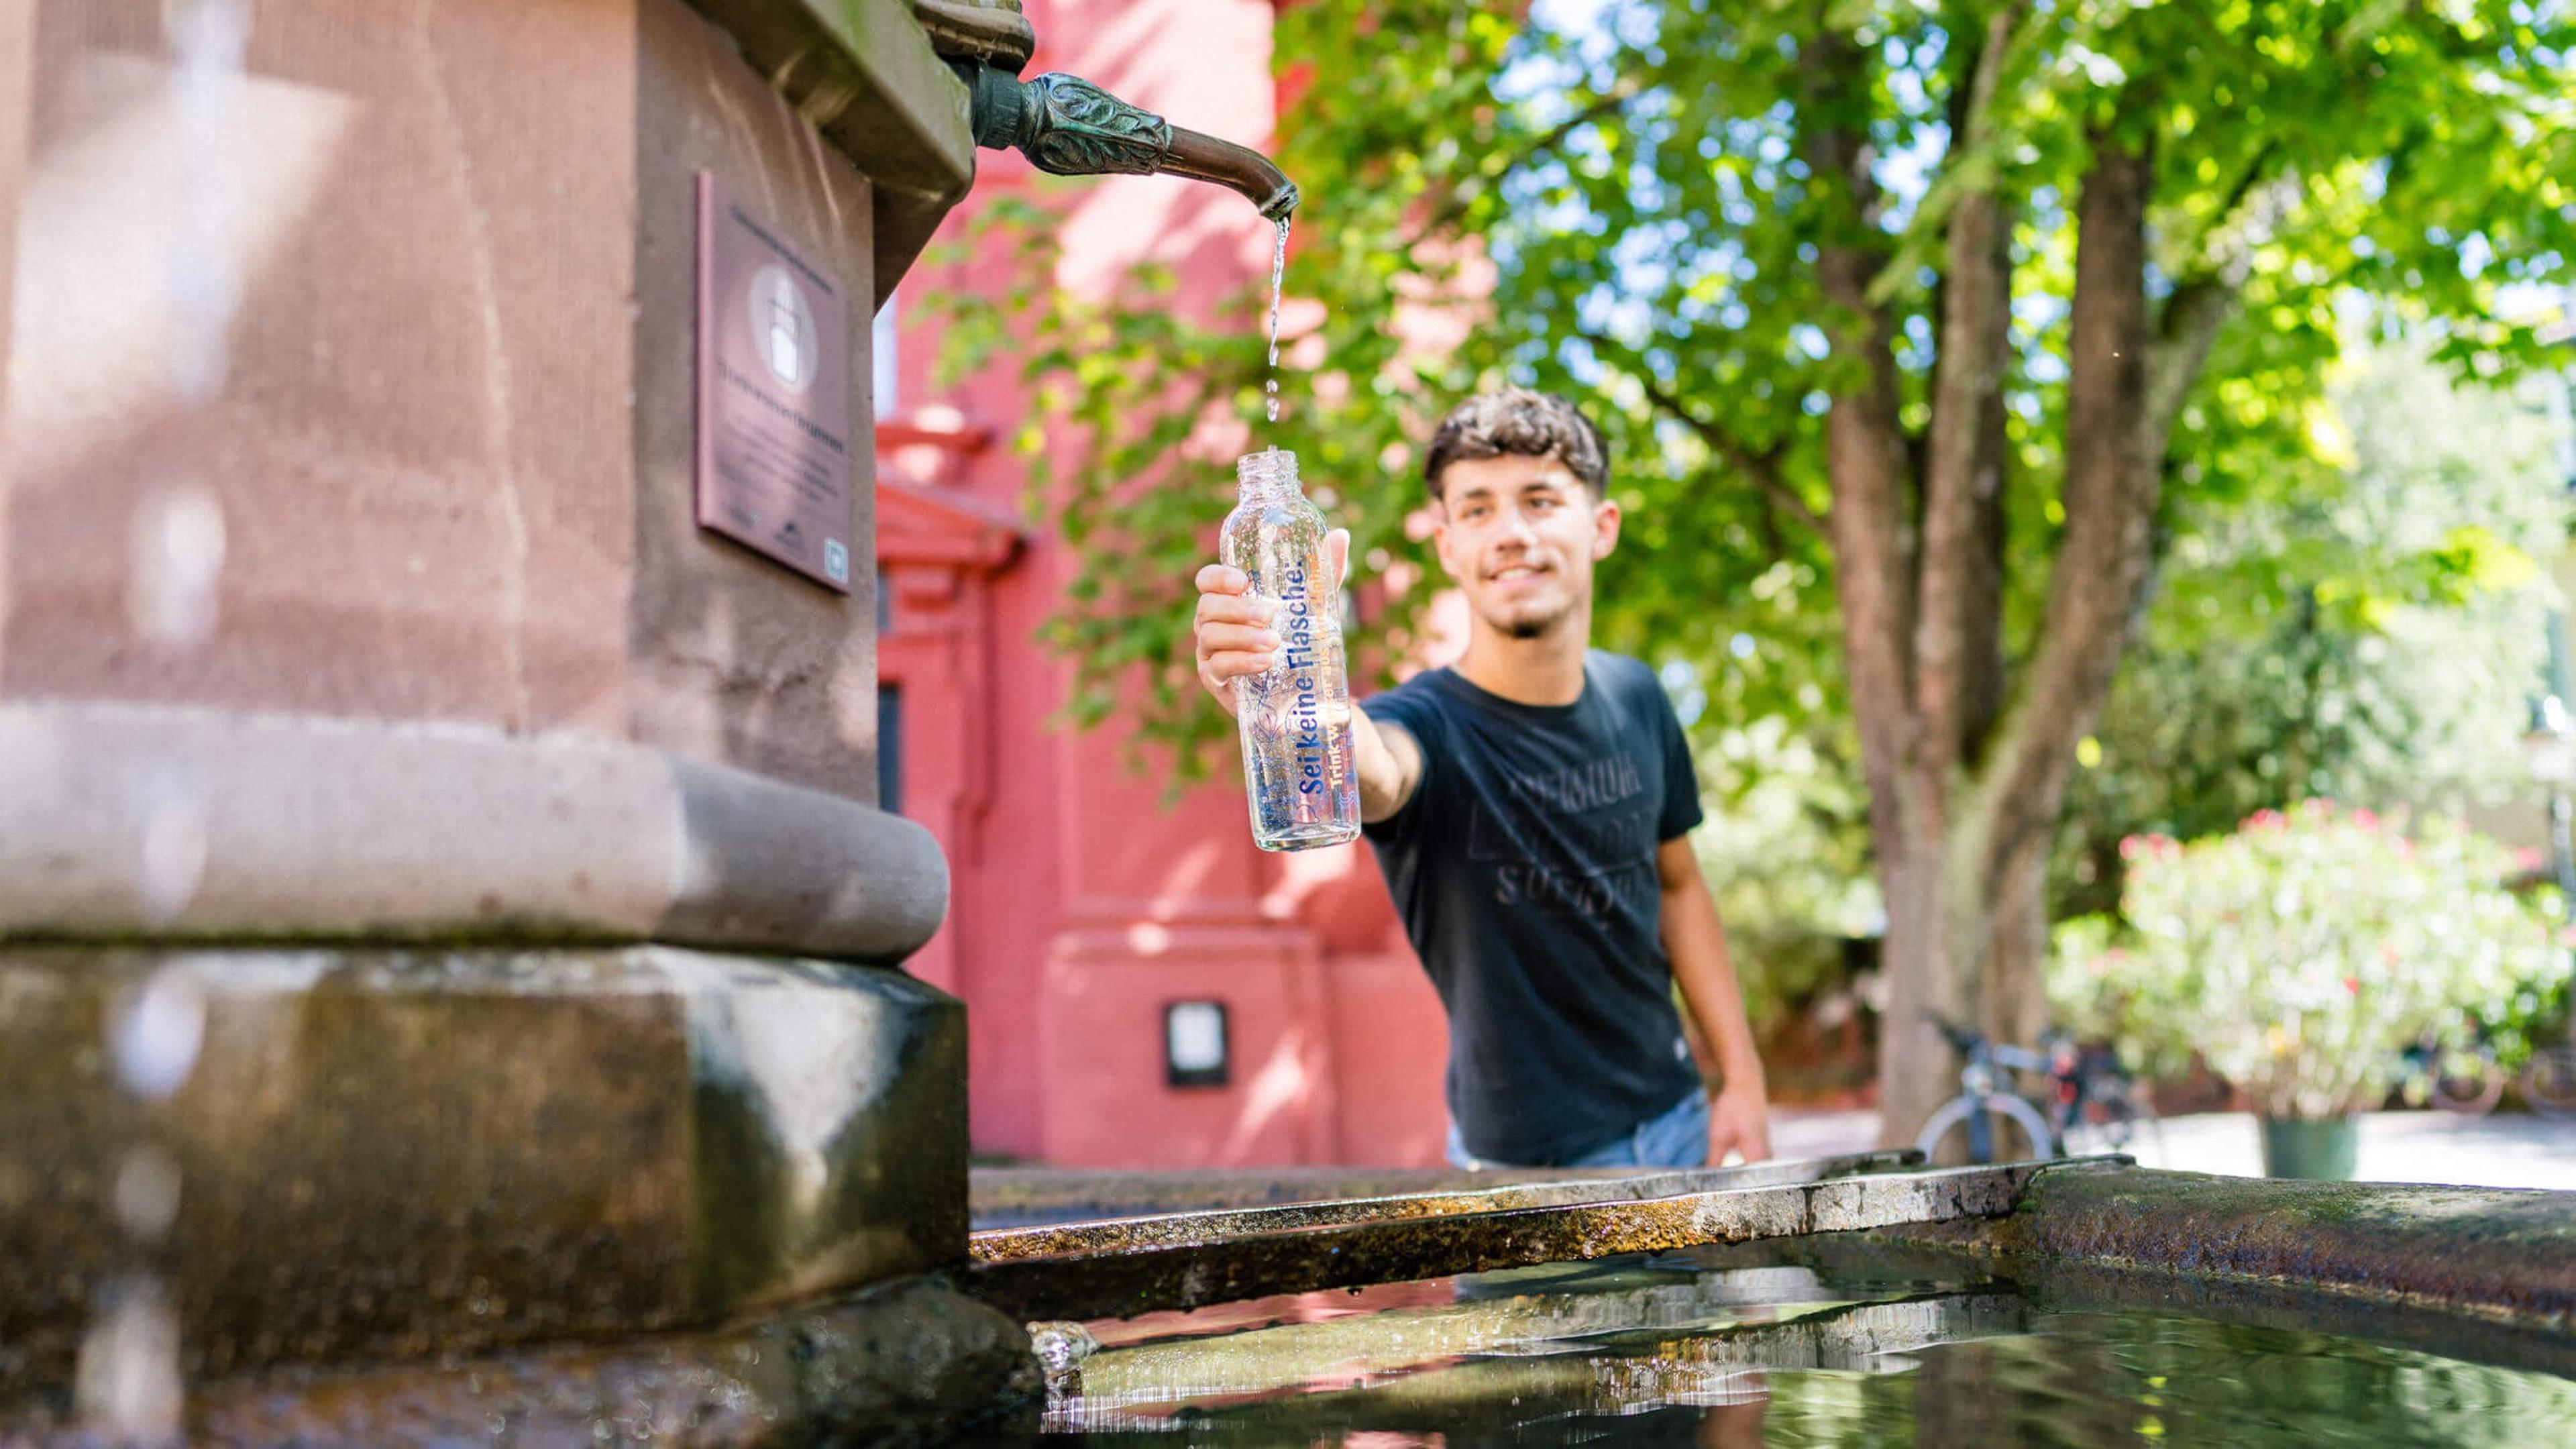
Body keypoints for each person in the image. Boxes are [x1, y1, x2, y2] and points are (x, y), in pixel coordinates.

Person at [1191, 388, 1772, 1169]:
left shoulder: (1639, 697)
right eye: (1476, 510)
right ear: (1446, 546)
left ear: (1601, 527)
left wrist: (1741, 1078)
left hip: (1682, 1127)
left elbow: (1679, 886)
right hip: (1522, 1177)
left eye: (1539, 500)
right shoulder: (1426, 724)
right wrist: (1299, 693)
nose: (1510, 534)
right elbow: (1381, 771)